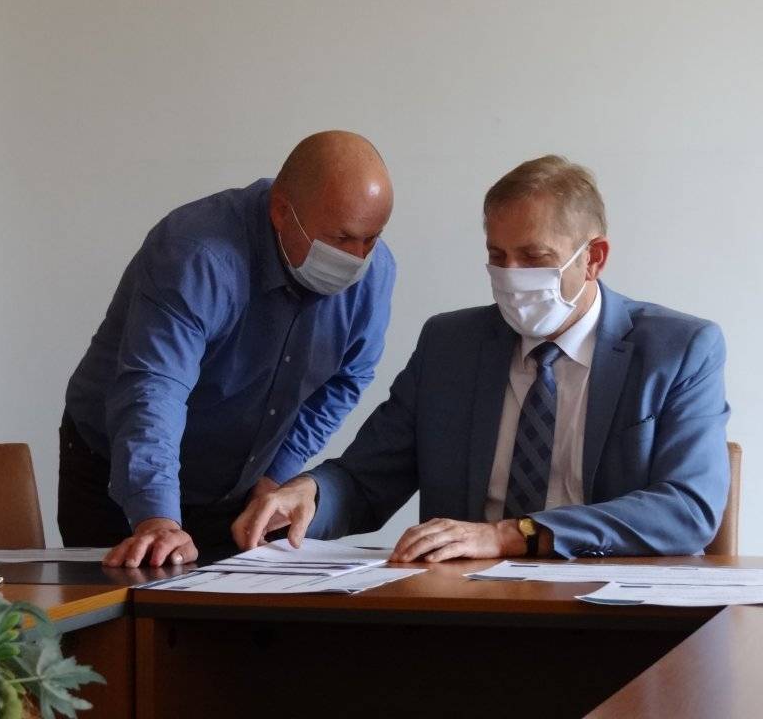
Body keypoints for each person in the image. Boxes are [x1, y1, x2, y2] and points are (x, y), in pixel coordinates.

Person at [236, 155, 730, 561]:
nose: (511, 276)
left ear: (593, 258)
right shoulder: (450, 345)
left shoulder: (678, 350)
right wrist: (310, 494)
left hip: (609, 609)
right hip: (467, 608)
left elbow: (687, 509)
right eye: (498, 256)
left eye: (534, 258)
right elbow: (366, 479)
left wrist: (514, 535)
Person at [58, 130, 395, 567]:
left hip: (238, 485)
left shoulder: (376, 271)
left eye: (372, 238)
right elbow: (155, 387)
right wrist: (157, 519)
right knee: (130, 597)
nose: (357, 257)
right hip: (119, 470)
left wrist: (275, 475)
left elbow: (347, 380)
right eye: (341, 238)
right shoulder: (197, 253)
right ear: (281, 212)